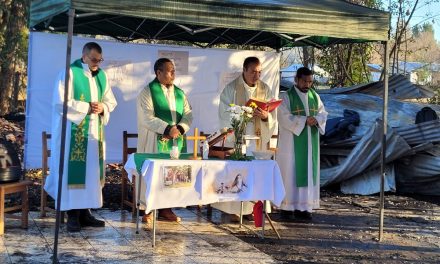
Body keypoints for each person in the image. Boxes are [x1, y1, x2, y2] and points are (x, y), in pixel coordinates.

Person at [45, 42, 117, 232]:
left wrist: (104, 107)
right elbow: (60, 103)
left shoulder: (102, 76)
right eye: (94, 59)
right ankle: (72, 216)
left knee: (91, 174)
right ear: (84, 56)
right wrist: (87, 107)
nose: (97, 63)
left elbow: (110, 100)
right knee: (73, 173)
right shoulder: (69, 73)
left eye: (100, 60)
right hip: (73, 134)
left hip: (94, 134)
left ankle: (85, 213)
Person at [214, 56, 277, 220]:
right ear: (244, 70)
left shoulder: (265, 89)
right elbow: (224, 113)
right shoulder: (231, 89)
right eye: (253, 72)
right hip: (238, 138)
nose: (257, 76)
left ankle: (252, 208)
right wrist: (243, 114)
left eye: (260, 72)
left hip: (256, 140)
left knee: (254, 172)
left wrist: (264, 116)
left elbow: (272, 115)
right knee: (237, 172)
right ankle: (234, 209)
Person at [137, 58, 193, 224]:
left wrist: (180, 128)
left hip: (176, 139)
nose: (173, 74)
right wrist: (168, 129)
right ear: (158, 72)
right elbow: (146, 117)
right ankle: (149, 208)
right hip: (155, 138)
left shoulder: (180, 93)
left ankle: (167, 208)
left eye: (174, 70)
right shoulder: (147, 92)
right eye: (170, 71)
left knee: (174, 172)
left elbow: (188, 114)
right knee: (154, 174)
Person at [276, 67, 327, 221]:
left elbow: (323, 113)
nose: (307, 84)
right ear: (296, 79)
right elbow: (283, 116)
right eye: (304, 81)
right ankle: (287, 208)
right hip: (291, 144)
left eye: (310, 81)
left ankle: (304, 207)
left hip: (310, 143)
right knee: (290, 172)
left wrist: (316, 119)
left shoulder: (315, 96)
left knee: (309, 172)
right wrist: (305, 120)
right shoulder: (286, 97)